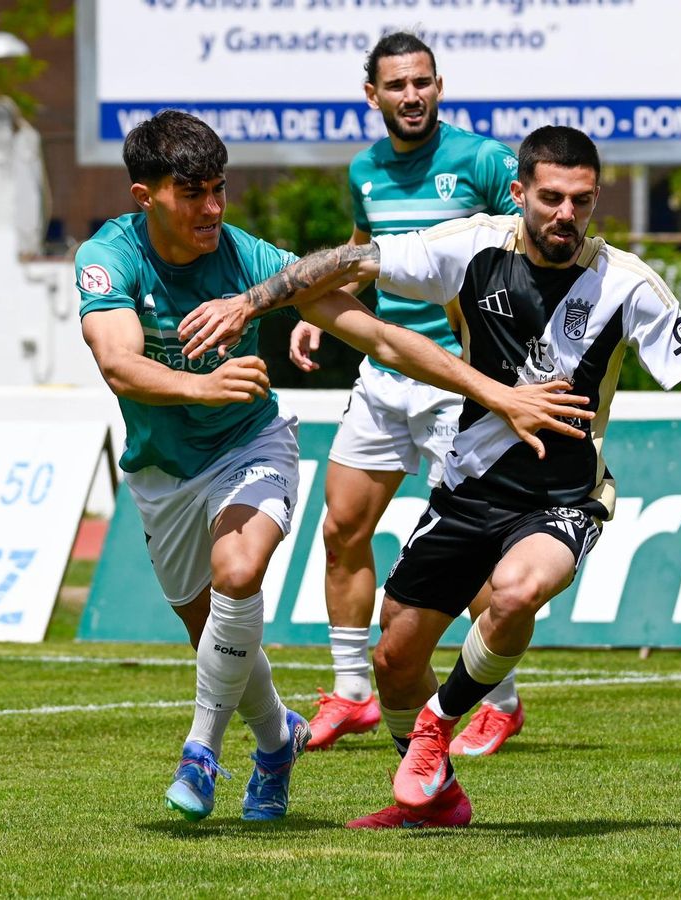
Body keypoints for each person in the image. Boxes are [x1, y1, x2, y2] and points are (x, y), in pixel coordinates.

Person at [178, 126, 681, 830]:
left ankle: (437, 727)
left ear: (596, 201)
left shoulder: (628, 285)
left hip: (565, 497)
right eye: (551, 198)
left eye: (582, 201)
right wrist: (250, 303)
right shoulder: (470, 246)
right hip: (468, 486)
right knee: (395, 657)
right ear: (521, 192)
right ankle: (436, 801)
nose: (566, 214)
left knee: (518, 589)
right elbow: (353, 259)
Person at [75, 110, 591, 825]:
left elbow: (380, 336)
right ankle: (277, 738)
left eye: (219, 189)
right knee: (218, 638)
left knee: (238, 572)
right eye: (192, 193)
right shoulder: (109, 256)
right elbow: (116, 361)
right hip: (161, 470)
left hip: (248, 447)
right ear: (145, 197)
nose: (212, 209)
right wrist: (199, 384)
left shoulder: (251, 258)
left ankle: (201, 749)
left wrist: (495, 391)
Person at [292, 33, 531, 756]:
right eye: (396, 85)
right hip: (384, 377)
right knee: (341, 528)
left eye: (422, 82)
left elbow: (528, 255)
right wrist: (323, 316)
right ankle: (352, 691)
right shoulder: (364, 170)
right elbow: (367, 249)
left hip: (458, 384)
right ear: (373, 95)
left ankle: (500, 700)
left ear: (439, 86)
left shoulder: (482, 161)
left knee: (476, 553)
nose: (412, 95)